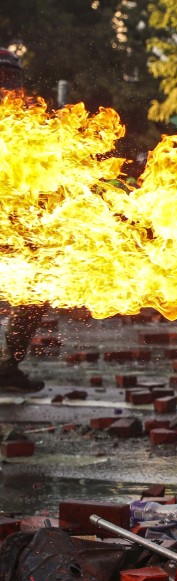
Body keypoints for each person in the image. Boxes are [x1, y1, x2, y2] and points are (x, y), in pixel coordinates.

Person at [0, 48, 46, 393]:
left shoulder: (28, 122)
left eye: (13, 79)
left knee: (34, 295)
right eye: (2, 77)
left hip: (19, 226)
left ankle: (8, 367)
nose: (8, 86)